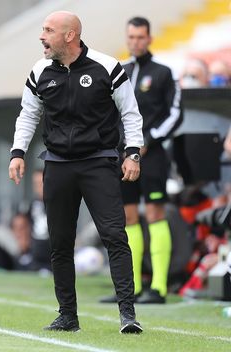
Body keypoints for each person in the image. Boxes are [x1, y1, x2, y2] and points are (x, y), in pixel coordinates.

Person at [8, 11, 143, 333]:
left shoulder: (108, 67)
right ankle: (67, 315)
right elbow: (28, 115)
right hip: (57, 164)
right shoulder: (40, 71)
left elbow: (130, 113)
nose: (42, 36)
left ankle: (128, 314)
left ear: (70, 35)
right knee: (60, 243)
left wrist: (132, 153)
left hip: (99, 162)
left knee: (114, 236)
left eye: (48, 30)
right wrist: (17, 153)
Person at [101, 17, 183, 304]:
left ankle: (159, 287)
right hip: (124, 157)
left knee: (156, 214)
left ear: (149, 39)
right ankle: (131, 287)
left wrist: (149, 139)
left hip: (154, 156)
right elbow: (110, 113)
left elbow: (175, 113)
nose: (135, 42)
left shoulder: (164, 73)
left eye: (140, 37)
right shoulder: (119, 71)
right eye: (131, 37)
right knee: (130, 217)